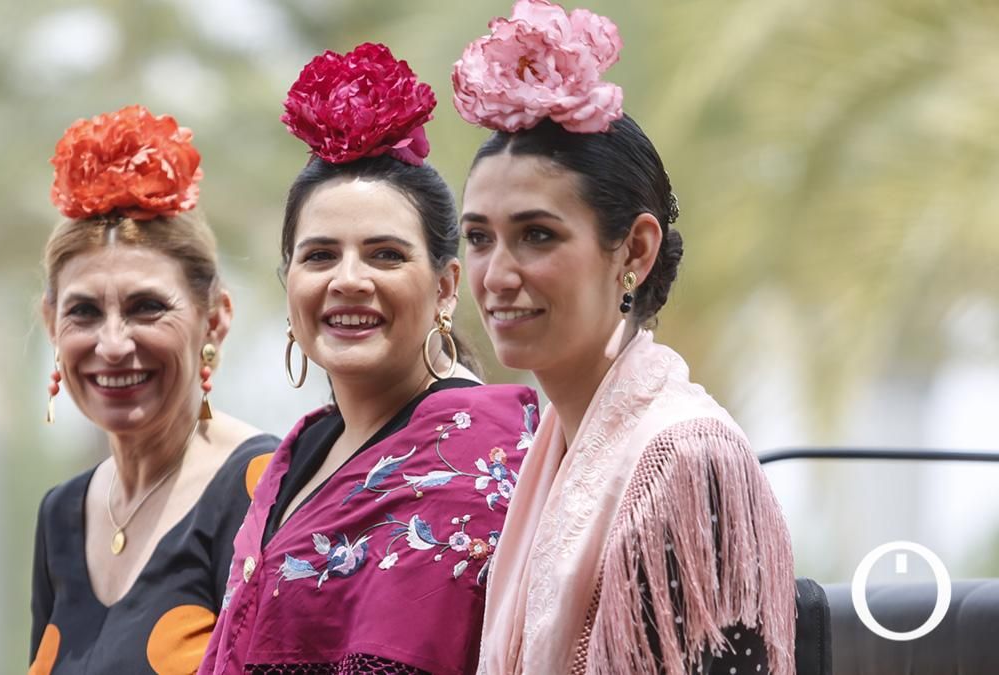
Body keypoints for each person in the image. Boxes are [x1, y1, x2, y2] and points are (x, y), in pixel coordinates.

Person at [452, 2, 797, 674]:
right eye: (479, 238)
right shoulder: (551, 454)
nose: (496, 275)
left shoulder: (686, 459)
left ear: (635, 250)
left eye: (537, 235)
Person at [199, 43, 538, 675]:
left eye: (385, 255)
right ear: (289, 281)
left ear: (446, 286)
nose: (349, 280)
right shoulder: (302, 449)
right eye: (320, 256)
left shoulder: (476, 453)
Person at [28, 105, 279, 674]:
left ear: (214, 318)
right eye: (84, 312)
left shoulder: (261, 488)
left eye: (146, 308)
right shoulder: (61, 513)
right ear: (51, 324)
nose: (113, 344)